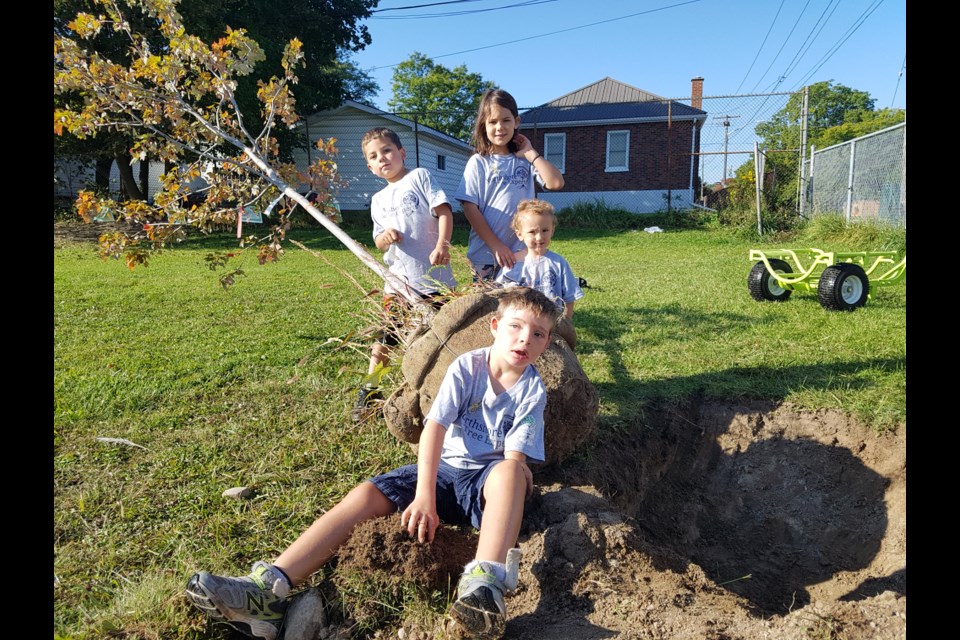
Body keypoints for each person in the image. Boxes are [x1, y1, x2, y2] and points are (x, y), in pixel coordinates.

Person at [185, 287, 561, 640]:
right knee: (368, 493)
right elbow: (434, 429)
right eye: (516, 326)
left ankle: (485, 586)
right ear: (495, 326)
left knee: (512, 471)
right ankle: (268, 590)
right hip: (444, 472)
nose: (525, 339)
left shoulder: (532, 389)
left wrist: (512, 475)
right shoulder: (468, 367)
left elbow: (514, 458)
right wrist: (424, 496)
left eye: (539, 334)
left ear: (546, 343)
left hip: (484, 483)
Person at [352, 127, 457, 422]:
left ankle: (446, 390)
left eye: (386, 150)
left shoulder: (419, 177)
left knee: (442, 335)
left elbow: (445, 212)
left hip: (434, 280)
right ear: (370, 167)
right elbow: (377, 240)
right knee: (386, 337)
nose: (382, 158)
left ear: (401, 153)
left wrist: (442, 244)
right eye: (374, 156)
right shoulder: (377, 200)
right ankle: (371, 387)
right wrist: (385, 237)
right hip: (397, 282)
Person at [455, 89, 564, 282]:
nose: (500, 127)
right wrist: (496, 245)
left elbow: (555, 182)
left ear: (516, 122)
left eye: (506, 120)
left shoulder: (525, 160)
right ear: (483, 125)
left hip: (523, 254)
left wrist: (531, 153)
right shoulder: (479, 162)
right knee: (487, 309)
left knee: (519, 308)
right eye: (492, 122)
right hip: (486, 255)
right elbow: (470, 208)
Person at [496, 198, 584, 320]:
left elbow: (569, 297)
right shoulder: (513, 264)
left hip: (551, 323)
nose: (539, 237)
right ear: (520, 234)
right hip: (522, 322)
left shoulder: (558, 263)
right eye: (532, 232)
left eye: (545, 230)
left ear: (552, 230)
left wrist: (566, 322)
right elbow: (500, 296)